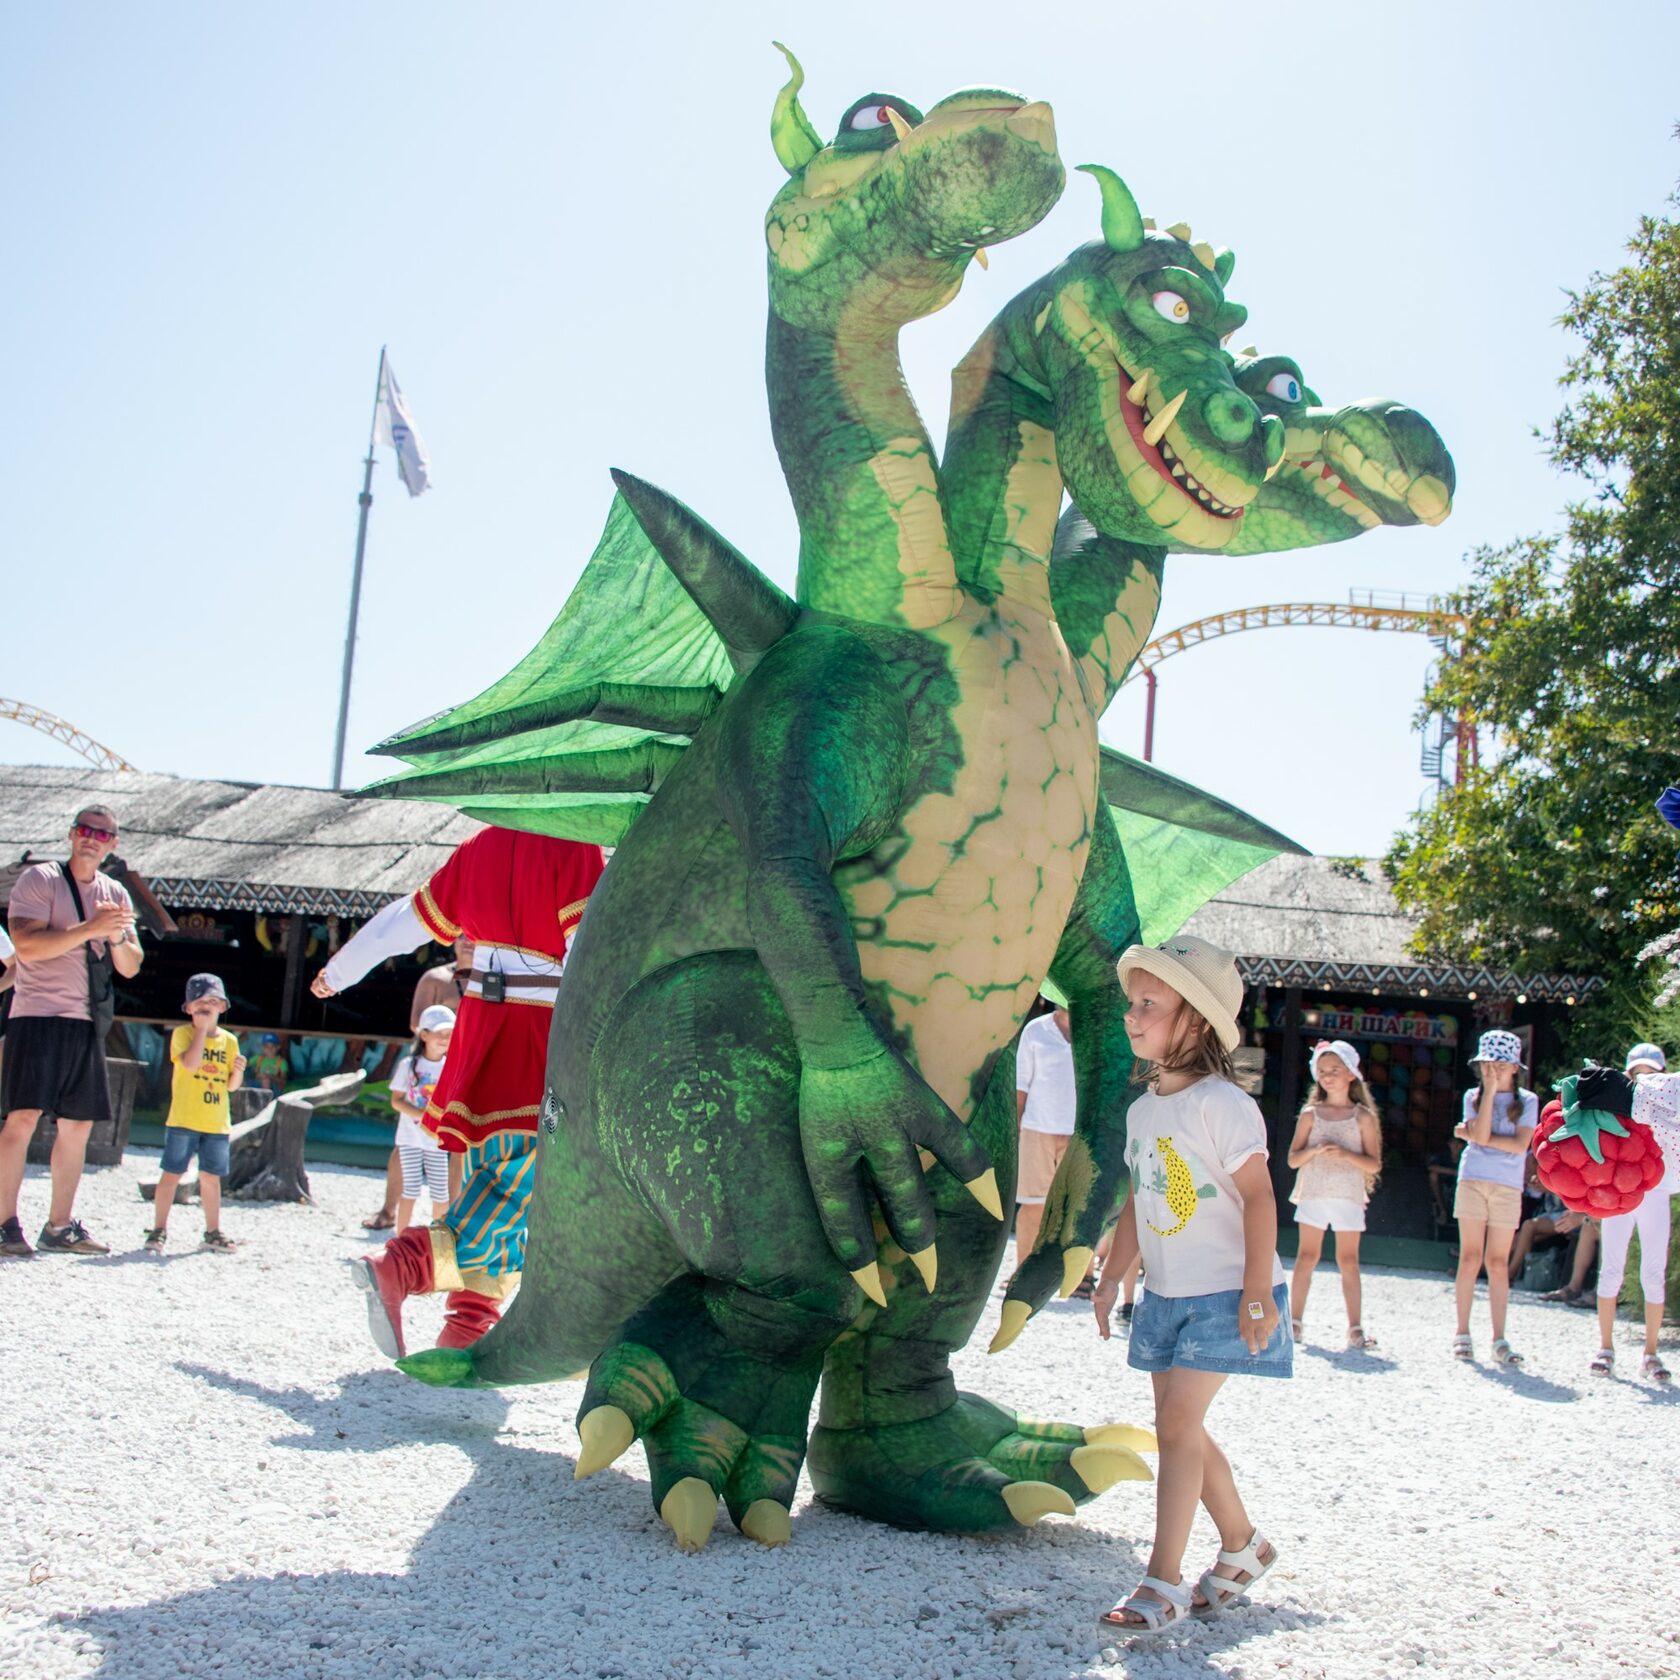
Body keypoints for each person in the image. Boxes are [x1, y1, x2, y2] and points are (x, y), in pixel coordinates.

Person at [311, 826, 605, 1353]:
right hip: (539, 1035)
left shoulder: (479, 846)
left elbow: (404, 922)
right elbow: (588, 955)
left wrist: (341, 969)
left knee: (486, 1185)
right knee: (519, 1187)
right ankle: (401, 1266)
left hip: (479, 1032)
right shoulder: (573, 844)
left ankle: (464, 1332)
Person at [1091, 935, 1288, 1635]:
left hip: (1223, 1294)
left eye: (1150, 1003)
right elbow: (1142, 1201)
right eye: (1131, 1003)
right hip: (1164, 1295)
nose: (1132, 1015)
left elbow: (1262, 1199)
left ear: (1196, 1021)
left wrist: (1258, 1290)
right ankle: (1244, 1547)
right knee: (1182, 1428)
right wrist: (1113, 1273)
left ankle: (1162, 1580)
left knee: (1177, 1424)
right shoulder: (1144, 1111)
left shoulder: (1223, 1105)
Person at [0, 805, 144, 1258]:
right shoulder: (40, 880)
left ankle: (59, 1226)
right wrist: (90, 929)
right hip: (36, 1015)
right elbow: (26, 945)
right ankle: (5, 1223)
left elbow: (131, 966)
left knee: (78, 1125)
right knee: (21, 1119)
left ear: (113, 843)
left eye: (102, 833)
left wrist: (115, 935)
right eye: (85, 830)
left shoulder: (116, 893)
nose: (92, 838)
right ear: (71, 834)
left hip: (85, 1021)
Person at [362, 938, 472, 1231]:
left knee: (459, 1143)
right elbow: (416, 1023)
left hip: (467, 1068)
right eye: (463, 936)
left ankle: (451, 1219)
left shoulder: (492, 977)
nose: (469, 942)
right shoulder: (436, 979)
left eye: (476, 936)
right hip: (427, 1066)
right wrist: (444, 1039)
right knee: (405, 1144)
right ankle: (389, 1211)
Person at [1285, 1039, 1383, 1349]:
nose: (1328, 1076)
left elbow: (1374, 1163)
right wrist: (1314, 1150)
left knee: (1349, 1260)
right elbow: (1293, 1158)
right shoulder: (1310, 1114)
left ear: (1352, 1074)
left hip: (1348, 1195)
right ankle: (1294, 1321)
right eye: (1323, 1070)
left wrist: (1344, 1155)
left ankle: (1355, 1327)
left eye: (1335, 1070)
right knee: (1306, 1256)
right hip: (1313, 1191)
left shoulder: (1363, 1116)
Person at [1450, 1029, 1537, 1365]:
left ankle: (1499, 1337)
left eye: (1501, 1064)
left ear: (1515, 1067)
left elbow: (1519, 1145)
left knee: (1498, 1262)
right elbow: (1486, 1134)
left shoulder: (1528, 1101)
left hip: (1507, 1186)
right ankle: (1462, 1332)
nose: (1495, 1070)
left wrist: (1474, 1135)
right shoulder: (1473, 1096)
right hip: (1473, 1179)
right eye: (1489, 1064)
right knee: (1470, 1258)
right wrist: (1487, 1094)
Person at [1588, 1047, 1674, 1384]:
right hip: (1621, 1192)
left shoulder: (1672, 1107)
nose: (1644, 1079)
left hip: (1657, 1190)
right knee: (1610, 1268)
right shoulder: (1618, 1106)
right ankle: (1605, 1348)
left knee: (1654, 1273)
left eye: (1651, 1073)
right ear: (1628, 1076)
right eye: (1638, 1073)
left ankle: (1650, 1353)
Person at [143, 974, 246, 1253]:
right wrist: (200, 1031)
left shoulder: (229, 1041)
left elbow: (231, 1087)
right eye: (200, 1002)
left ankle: (212, 1231)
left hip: (216, 1121)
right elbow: (189, 1065)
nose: (206, 1007)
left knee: (211, 1178)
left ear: (222, 1007)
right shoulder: (182, 1034)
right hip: (184, 1119)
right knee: (171, 1174)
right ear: (188, 1008)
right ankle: (159, 1228)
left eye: (213, 1002)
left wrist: (238, 1072)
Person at [1014, 1001, 1079, 1277]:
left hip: (1079, 1130)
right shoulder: (1035, 1030)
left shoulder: (1093, 1030)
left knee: (1079, 1206)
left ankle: (1082, 1276)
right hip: (1036, 1128)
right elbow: (1020, 1084)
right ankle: (1023, 1271)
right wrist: (1014, 1129)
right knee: (1033, 1204)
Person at [390, 1005, 455, 1235]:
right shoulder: (408, 1065)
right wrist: (424, 1116)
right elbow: (396, 1100)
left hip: (436, 1142)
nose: (445, 1039)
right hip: (410, 1138)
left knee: (440, 1193)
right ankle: (400, 1239)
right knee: (410, 1189)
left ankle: (439, 1243)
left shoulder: (452, 1067)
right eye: (440, 1033)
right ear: (424, 1035)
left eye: (450, 1034)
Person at [1508, 1154, 1589, 1288]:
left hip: (1568, 1214)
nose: (1527, 1171)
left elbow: (1572, 1198)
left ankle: (1510, 1274)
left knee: (1529, 1226)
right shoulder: (1543, 1174)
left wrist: (1550, 1190)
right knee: (1518, 1238)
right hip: (1551, 1213)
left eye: (1529, 1167)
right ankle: (1499, 1270)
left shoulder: (1564, 1169)